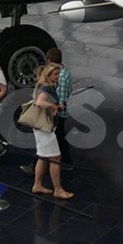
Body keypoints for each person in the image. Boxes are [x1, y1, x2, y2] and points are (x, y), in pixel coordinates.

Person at [29, 64, 73, 200]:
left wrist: (53, 107)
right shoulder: (47, 87)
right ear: (48, 75)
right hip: (45, 128)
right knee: (55, 157)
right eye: (55, 75)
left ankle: (37, 184)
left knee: (43, 156)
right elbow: (40, 102)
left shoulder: (41, 85)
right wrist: (54, 106)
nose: (58, 77)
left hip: (39, 127)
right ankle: (58, 190)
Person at [46, 47, 73, 166]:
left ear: (49, 60)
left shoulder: (60, 77)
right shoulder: (64, 72)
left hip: (60, 114)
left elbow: (60, 101)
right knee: (60, 138)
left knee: (52, 140)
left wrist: (53, 110)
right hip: (64, 112)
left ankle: (46, 163)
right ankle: (67, 162)